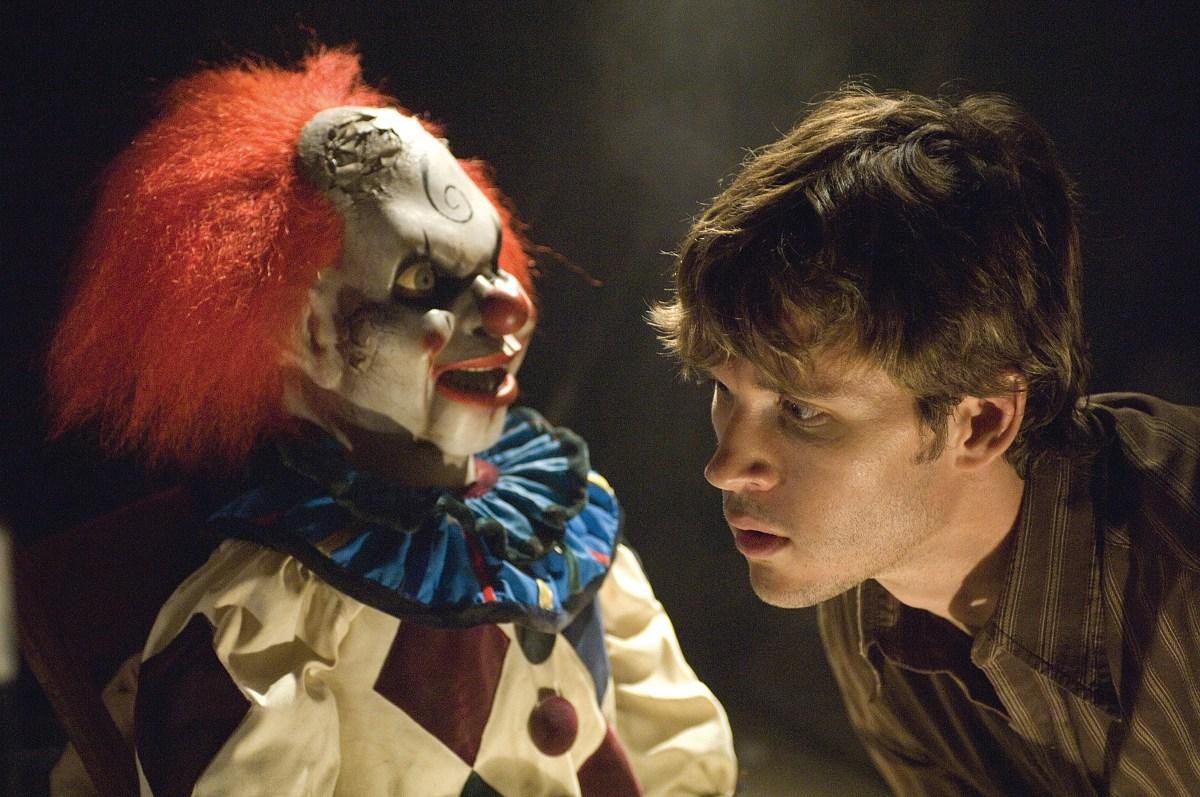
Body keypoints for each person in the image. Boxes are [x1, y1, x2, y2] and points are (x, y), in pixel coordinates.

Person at [46, 49, 737, 796]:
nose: (507, 308)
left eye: (490, 264)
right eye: (424, 279)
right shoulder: (282, 607)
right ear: (308, 332)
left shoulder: (557, 527)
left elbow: (674, 741)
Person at [651, 86, 1199, 795]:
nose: (725, 466)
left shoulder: (1180, 576)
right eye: (725, 391)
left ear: (982, 423)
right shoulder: (862, 586)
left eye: (802, 411)